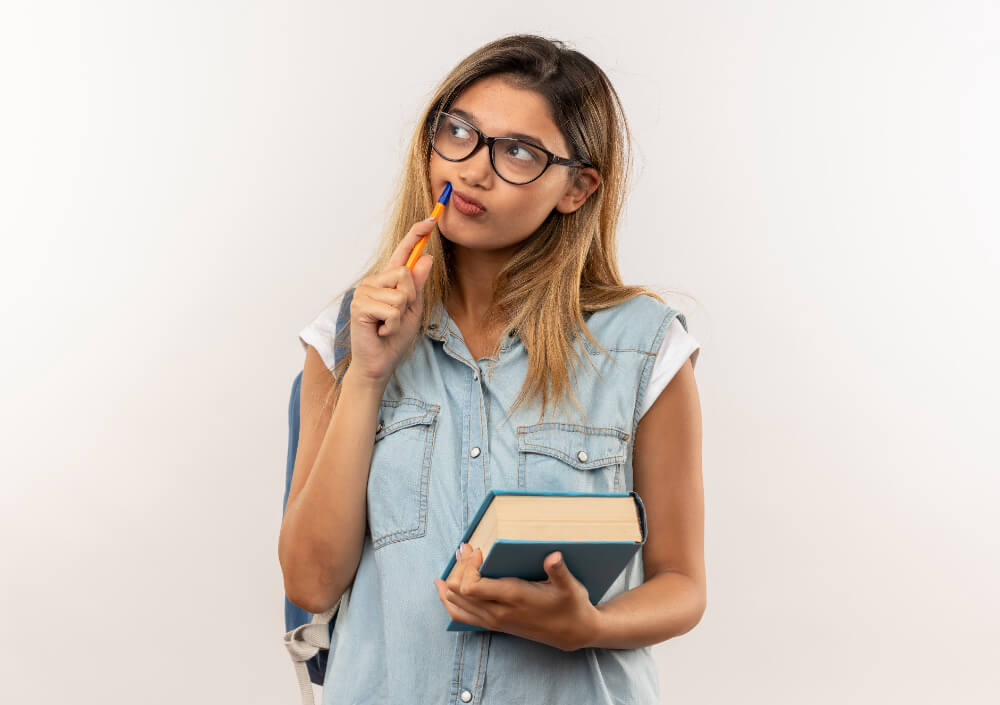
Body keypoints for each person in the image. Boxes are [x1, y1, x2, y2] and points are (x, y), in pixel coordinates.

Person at [279, 33, 705, 705]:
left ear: (577, 187)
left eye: (517, 153)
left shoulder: (644, 348)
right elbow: (309, 582)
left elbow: (681, 583)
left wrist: (587, 625)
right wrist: (366, 374)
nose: (474, 170)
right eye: (460, 132)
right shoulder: (348, 334)